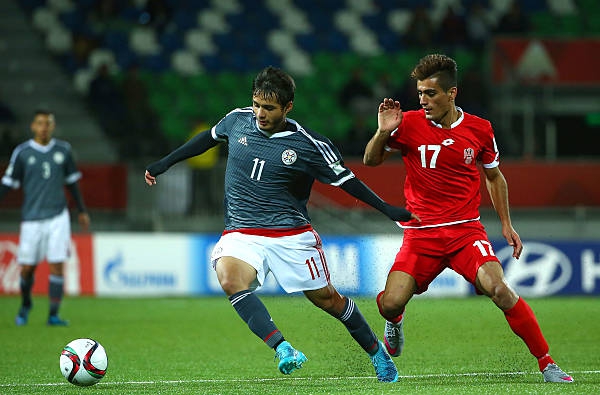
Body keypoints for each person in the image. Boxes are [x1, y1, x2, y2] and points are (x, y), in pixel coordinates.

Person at [144, 66, 420, 382]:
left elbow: (347, 181)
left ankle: (376, 353)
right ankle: (283, 348)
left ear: (287, 107)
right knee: (231, 279)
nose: (260, 113)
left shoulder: (308, 144)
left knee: (329, 300)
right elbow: (206, 140)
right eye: (257, 105)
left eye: (269, 108)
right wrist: (164, 163)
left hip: (291, 235)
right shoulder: (236, 120)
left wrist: (386, 209)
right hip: (242, 231)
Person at [363, 54, 573, 383]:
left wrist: (506, 223)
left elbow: (494, 177)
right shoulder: (408, 124)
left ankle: (547, 364)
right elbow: (370, 160)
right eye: (420, 93)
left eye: (430, 93)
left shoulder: (480, 129)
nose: (423, 100)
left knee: (500, 290)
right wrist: (381, 132)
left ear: (452, 93)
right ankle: (396, 320)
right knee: (389, 303)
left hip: (465, 233)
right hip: (421, 235)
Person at [0, 110, 90, 326]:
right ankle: (25, 304)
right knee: (27, 268)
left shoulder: (63, 150)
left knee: (57, 264)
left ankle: (53, 314)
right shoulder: (22, 152)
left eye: (48, 123)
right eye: (40, 123)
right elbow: (8, 183)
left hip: (58, 216)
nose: (44, 127)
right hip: (32, 218)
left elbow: (72, 183)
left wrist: (82, 210)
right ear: (32, 126)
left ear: (53, 126)